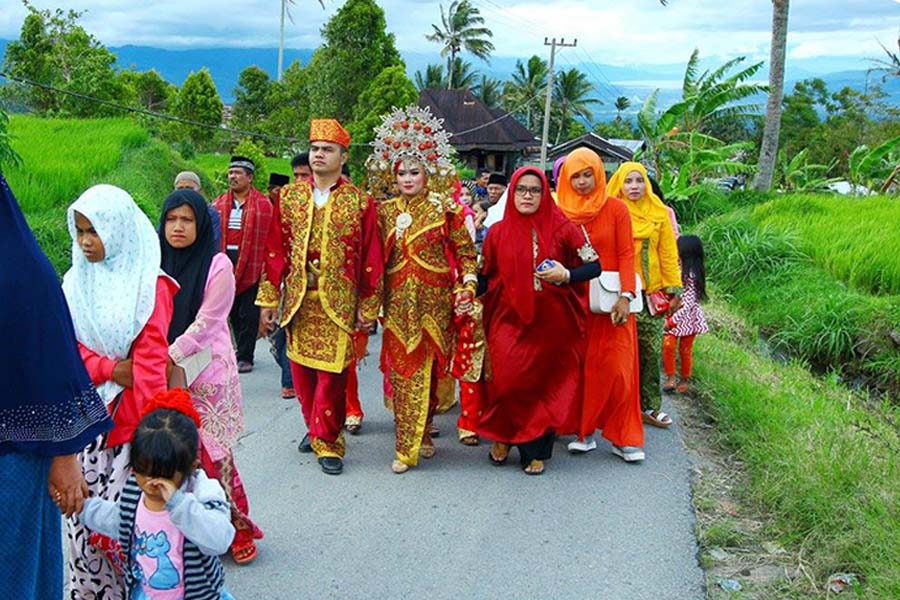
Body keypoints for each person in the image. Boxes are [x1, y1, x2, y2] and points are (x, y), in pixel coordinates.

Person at [0, 174, 113, 598]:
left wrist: (64, 456)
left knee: (13, 575)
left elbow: (48, 362)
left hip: (11, 461)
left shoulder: (19, 272)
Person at [63, 184, 177, 599]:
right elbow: (67, 351)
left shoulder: (149, 285)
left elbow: (149, 366)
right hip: (83, 430)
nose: (87, 242)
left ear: (120, 230)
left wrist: (149, 443)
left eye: (96, 230)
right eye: (80, 231)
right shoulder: (75, 284)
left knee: (131, 536)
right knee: (81, 532)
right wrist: (111, 368)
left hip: (131, 431)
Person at [256, 119, 383, 476]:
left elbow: (371, 258)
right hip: (298, 301)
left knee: (332, 375)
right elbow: (274, 252)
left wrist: (369, 306)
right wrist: (268, 301)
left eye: (327, 149)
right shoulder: (289, 197)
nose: (319, 155)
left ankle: (329, 440)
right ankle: (315, 427)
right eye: (315, 149)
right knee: (301, 371)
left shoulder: (359, 202)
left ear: (343, 156)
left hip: (339, 304)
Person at [365, 105, 478, 474]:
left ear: (428, 173)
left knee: (432, 373)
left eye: (415, 171)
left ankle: (424, 429)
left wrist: (469, 284)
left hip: (436, 303)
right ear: (392, 176)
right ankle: (405, 446)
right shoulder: (383, 212)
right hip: (396, 304)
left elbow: (464, 252)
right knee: (403, 370)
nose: (408, 178)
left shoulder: (445, 208)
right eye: (402, 173)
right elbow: (371, 257)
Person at [158, 189, 263, 565]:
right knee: (171, 454)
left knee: (213, 455)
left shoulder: (218, 264)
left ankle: (237, 528)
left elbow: (208, 321)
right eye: (171, 219)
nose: (178, 227)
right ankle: (183, 535)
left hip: (206, 371)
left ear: (201, 224)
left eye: (187, 220)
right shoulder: (153, 262)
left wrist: (167, 352)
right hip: (162, 370)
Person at [475, 167, 600, 475]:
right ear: (511, 193)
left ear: (545, 194)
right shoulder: (498, 232)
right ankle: (504, 436)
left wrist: (566, 274)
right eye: (521, 189)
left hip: (551, 324)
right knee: (504, 379)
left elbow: (595, 266)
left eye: (535, 190)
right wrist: (463, 289)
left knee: (541, 387)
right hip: (506, 319)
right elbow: (484, 275)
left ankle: (535, 451)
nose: (527, 196)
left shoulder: (564, 228)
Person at [80, 391, 236, 599]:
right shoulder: (135, 491)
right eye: (142, 471)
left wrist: (178, 503)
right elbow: (118, 519)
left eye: (163, 476)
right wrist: (82, 507)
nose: (151, 483)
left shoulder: (201, 491)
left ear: (191, 466)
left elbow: (219, 539)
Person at [557, 148, 645, 462]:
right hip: (574, 301)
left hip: (612, 304)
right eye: (575, 176)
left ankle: (624, 437)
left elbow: (625, 255)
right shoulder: (560, 209)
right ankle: (585, 432)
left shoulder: (617, 208)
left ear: (598, 173)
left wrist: (626, 295)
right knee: (580, 369)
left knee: (619, 371)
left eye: (587, 174)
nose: (581, 182)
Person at [607, 161, 683, 428]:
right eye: (628, 181)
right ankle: (612, 407)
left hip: (648, 294)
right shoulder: (609, 210)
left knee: (648, 352)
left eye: (639, 181)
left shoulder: (659, 213)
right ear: (619, 183)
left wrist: (674, 288)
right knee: (614, 354)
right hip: (613, 294)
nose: (634, 186)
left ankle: (649, 406)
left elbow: (668, 253)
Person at [213, 155, 274, 373]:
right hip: (225, 261)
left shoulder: (263, 205)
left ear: (249, 177)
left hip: (253, 264)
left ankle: (246, 356)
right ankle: (238, 348)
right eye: (230, 173)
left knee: (248, 312)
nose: (233, 177)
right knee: (230, 310)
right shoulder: (218, 203)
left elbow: (269, 237)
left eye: (237, 173)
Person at [662, 235, 708, 394]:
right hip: (674, 315)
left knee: (685, 349)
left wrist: (673, 321)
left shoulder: (691, 277)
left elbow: (688, 303)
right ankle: (670, 377)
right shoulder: (676, 269)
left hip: (687, 319)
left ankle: (684, 378)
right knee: (668, 345)